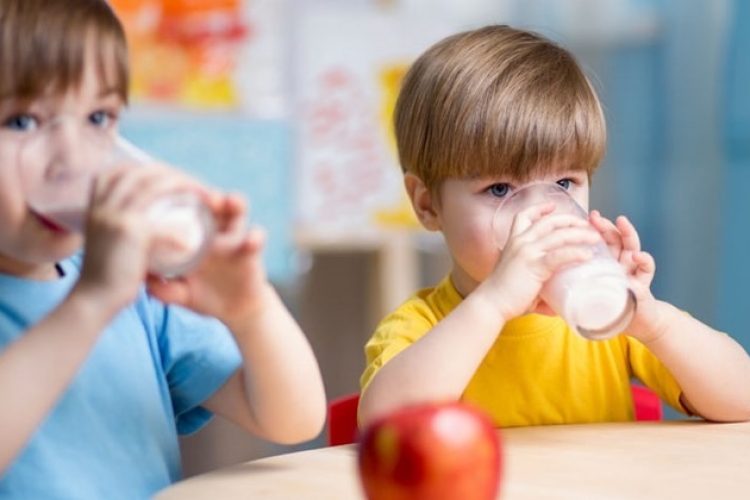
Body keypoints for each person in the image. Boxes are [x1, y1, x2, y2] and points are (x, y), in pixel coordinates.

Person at [0, 0, 326, 497]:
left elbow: (294, 419)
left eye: (97, 117)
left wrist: (250, 310)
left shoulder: (128, 285)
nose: (71, 158)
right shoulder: (106, 287)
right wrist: (89, 304)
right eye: (22, 121)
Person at [358, 24, 750, 428]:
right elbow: (385, 427)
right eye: (499, 189)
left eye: (564, 184)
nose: (541, 215)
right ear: (428, 205)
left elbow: (743, 401)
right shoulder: (421, 327)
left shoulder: (609, 321)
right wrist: (493, 305)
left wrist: (654, 322)